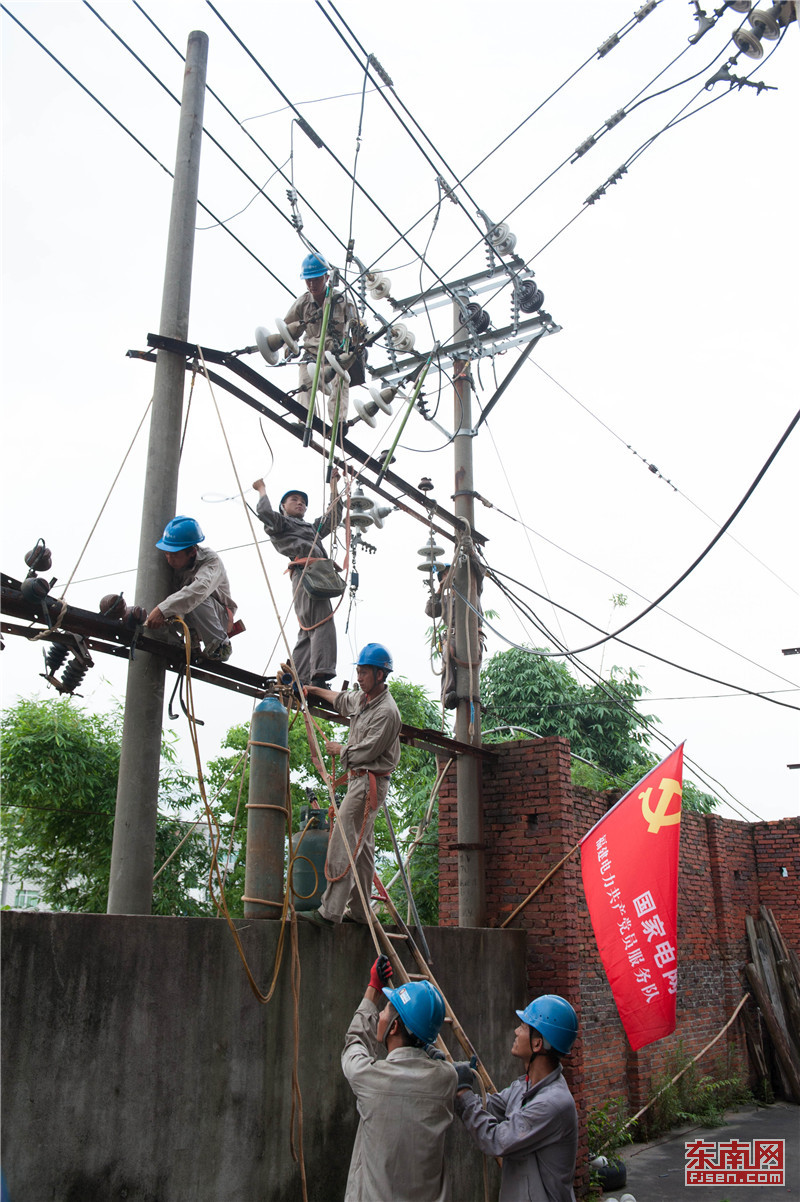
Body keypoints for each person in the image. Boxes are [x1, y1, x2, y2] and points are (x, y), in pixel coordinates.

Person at [342, 956, 456, 1202]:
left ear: (393, 1028)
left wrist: (373, 990)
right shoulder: (447, 1078)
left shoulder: (370, 1078)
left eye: (384, 1013)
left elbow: (355, 1042)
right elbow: (437, 1064)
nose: (381, 1016)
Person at [302, 643, 401, 925]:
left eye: (364, 672)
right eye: (358, 672)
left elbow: (367, 751)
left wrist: (339, 750)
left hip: (368, 783)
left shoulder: (387, 712)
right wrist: (313, 690)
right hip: (360, 780)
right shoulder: (363, 699)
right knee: (363, 848)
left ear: (381, 675)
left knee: (343, 839)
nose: (359, 677)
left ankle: (330, 912)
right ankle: (359, 912)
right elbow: (341, 699)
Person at [454, 995, 579, 1202]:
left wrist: (463, 1093)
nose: (516, 1031)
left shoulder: (552, 1103)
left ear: (537, 1043)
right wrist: (450, 1076)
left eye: (522, 1027)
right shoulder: (524, 1087)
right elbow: (489, 1105)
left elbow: (496, 1140)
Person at [253, 473, 343, 687]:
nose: (300, 503)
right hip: (306, 573)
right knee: (322, 620)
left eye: (303, 501)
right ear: (283, 506)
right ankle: (320, 674)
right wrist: (261, 489)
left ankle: (300, 676)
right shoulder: (281, 523)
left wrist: (334, 487)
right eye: (294, 500)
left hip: (316, 573)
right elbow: (265, 513)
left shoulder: (312, 529)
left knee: (309, 626)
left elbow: (333, 518)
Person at [145, 516, 236, 662]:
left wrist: (162, 610)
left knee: (197, 595)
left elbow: (200, 589)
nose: (169, 559)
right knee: (172, 599)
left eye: (174, 555)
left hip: (217, 618)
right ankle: (180, 642)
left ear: (192, 552)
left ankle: (219, 646)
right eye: (166, 554)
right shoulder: (170, 566)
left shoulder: (211, 561)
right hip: (187, 618)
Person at [283, 252, 359, 425]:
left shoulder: (342, 301)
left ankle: (338, 424)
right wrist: (289, 348)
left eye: (316, 279)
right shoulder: (302, 303)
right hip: (312, 355)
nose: (312, 284)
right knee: (304, 380)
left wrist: (356, 342)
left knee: (341, 379)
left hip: (335, 356)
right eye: (308, 280)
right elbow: (288, 330)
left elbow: (357, 328)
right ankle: (306, 422)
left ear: (325, 277)